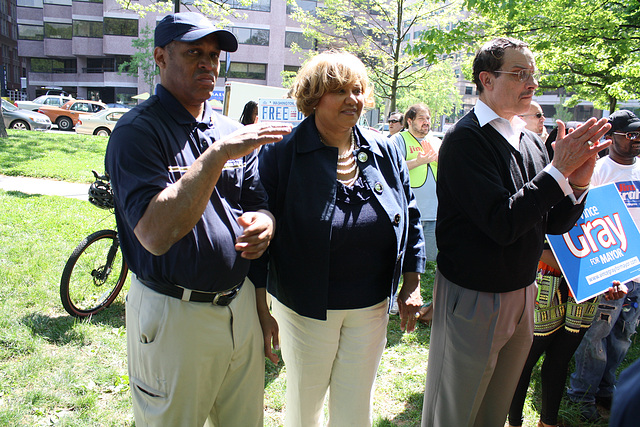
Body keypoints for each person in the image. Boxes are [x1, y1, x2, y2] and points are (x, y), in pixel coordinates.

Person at [104, 12, 291, 427]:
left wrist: (265, 222)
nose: (207, 62)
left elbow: (257, 200)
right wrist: (218, 155)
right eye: (193, 53)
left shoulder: (226, 129)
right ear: (160, 57)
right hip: (175, 314)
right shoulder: (138, 131)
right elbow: (154, 233)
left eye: (214, 54)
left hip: (238, 307)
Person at [420, 37, 611, 427]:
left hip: (523, 292)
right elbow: (502, 223)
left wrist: (578, 184)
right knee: (456, 410)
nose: (532, 84)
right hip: (474, 295)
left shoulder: (530, 140)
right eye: (520, 74)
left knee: (494, 407)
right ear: (486, 79)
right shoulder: (465, 139)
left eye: (533, 75)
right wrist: (558, 171)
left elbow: (552, 225)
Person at [250, 50, 426, 427]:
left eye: (358, 89)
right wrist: (260, 309)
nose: (353, 99)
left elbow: (409, 214)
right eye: (339, 90)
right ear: (313, 98)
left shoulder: (383, 150)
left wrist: (412, 280)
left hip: (372, 305)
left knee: (355, 404)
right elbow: (260, 237)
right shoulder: (281, 154)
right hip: (305, 309)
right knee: (304, 402)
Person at [567, 109, 640, 422]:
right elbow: (581, 223)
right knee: (596, 336)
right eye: (632, 135)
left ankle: (607, 390)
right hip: (608, 275)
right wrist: (606, 275)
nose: (638, 141)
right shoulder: (596, 171)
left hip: (638, 274)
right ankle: (581, 395)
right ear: (612, 138)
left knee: (624, 336)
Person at [507, 248, 627, 427]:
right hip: (548, 279)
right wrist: (583, 270)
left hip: (583, 290)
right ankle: (514, 423)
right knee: (525, 360)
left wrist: (611, 278)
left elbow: (612, 242)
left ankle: (548, 423)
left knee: (559, 360)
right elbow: (532, 240)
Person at [390, 103, 440, 322]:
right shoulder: (398, 141)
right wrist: (418, 161)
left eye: (428, 118)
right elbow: (392, 167)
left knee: (429, 264)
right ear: (409, 121)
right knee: (403, 261)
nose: (426, 122)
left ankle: (424, 305)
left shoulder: (437, 142)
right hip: (408, 214)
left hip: (435, 213)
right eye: (421, 118)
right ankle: (394, 302)